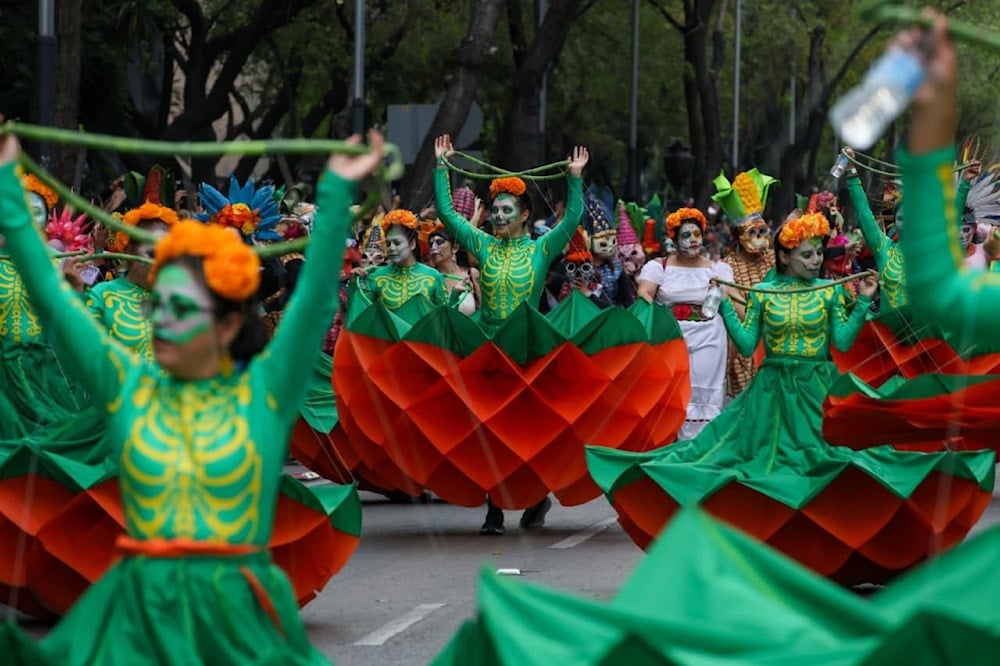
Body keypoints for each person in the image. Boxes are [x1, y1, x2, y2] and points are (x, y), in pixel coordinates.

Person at [0, 124, 383, 665]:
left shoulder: (264, 395)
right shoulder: (128, 388)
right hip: (135, 623)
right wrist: (6, 187)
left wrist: (338, 191)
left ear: (228, 325)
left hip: (236, 624)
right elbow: (52, 302)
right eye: (159, 306)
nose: (163, 321)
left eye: (181, 310)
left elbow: (316, 302)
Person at [434, 134, 589, 535]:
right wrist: (441, 167)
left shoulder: (540, 248)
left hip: (529, 354)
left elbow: (571, 220)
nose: (498, 216)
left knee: (527, 434)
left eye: (506, 210)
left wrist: (574, 178)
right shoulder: (481, 244)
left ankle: (536, 497)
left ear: (524, 215)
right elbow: (449, 216)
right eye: (495, 210)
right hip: (487, 352)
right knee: (487, 432)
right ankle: (494, 509)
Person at [637, 207, 733, 440]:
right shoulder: (659, 267)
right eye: (686, 236)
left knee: (702, 394)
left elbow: (732, 307)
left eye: (696, 235)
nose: (692, 240)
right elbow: (644, 294)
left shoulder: (717, 270)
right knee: (671, 393)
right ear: (674, 239)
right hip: (670, 339)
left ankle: (700, 446)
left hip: (709, 336)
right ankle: (670, 444)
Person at [713, 168, 777, 397]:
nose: (760, 238)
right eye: (753, 233)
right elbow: (739, 312)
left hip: (776, 341)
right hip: (745, 347)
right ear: (738, 236)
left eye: (763, 231)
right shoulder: (727, 266)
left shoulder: (775, 259)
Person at [354, 208, 447, 309]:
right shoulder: (375, 277)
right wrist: (354, 285)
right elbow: (362, 316)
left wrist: (455, 295)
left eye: (397, 243)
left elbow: (444, 317)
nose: (392, 248)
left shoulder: (434, 276)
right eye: (388, 244)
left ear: (412, 244)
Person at [427, 224, 480, 315]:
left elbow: (482, 309)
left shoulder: (471, 274)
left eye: (439, 242)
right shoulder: (429, 278)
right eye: (431, 244)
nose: (433, 247)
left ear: (455, 248)